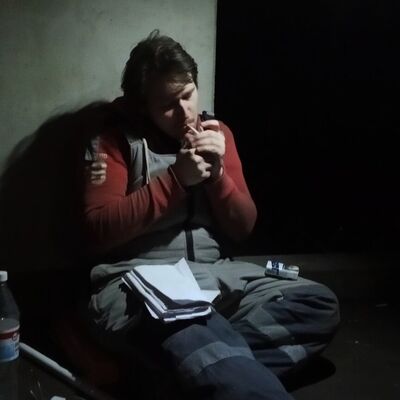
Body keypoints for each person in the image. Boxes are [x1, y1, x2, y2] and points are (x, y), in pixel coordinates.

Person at [82, 30, 339, 399]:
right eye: (168, 104)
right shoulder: (114, 141)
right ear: (142, 106)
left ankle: (183, 375)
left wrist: (218, 176)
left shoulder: (217, 133)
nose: (185, 112)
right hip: (137, 281)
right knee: (191, 325)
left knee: (317, 304)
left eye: (188, 95)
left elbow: (243, 227)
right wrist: (175, 180)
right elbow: (97, 230)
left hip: (213, 275)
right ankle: (211, 363)